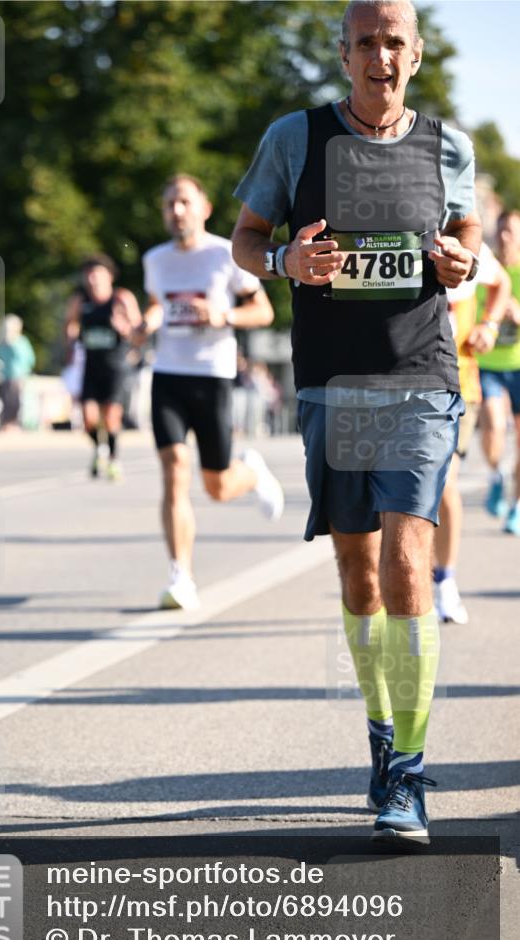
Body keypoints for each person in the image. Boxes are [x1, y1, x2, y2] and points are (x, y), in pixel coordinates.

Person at [232, 0, 482, 843]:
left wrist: (464, 257)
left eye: (394, 42)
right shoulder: (295, 138)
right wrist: (283, 263)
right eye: (365, 41)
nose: (380, 55)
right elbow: (247, 236)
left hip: (418, 373)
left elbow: (468, 228)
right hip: (332, 385)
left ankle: (407, 776)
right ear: (343, 54)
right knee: (359, 578)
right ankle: (381, 742)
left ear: (415, 56)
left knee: (408, 555)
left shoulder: (447, 143)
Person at [135, 174, 283, 611]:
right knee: (174, 468)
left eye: (183, 202)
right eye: (168, 204)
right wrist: (147, 322)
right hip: (168, 375)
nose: (176, 211)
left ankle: (252, 472)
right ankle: (181, 577)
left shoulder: (226, 254)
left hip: (213, 378)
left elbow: (263, 311)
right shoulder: (155, 260)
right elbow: (159, 305)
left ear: (204, 208)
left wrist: (223, 316)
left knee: (217, 486)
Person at [434, 244, 510, 623]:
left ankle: (444, 580)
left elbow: (501, 282)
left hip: (458, 385)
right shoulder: (382, 230)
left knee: (443, 482)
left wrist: (490, 324)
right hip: (396, 386)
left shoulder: (461, 242)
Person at [64, 255, 142, 481]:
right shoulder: (81, 300)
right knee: (88, 419)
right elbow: (70, 323)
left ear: (109, 276)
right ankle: (100, 449)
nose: (92, 279)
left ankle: (114, 459)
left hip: (116, 366)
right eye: (88, 274)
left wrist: (124, 327)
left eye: (97, 273)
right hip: (91, 364)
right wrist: (70, 342)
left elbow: (139, 331)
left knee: (110, 418)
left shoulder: (121, 298)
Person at [476, 210, 520, 535]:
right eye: (502, 230)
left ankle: (516, 507)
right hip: (489, 364)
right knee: (492, 423)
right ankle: (496, 476)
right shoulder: (486, 268)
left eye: (512, 232)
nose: (505, 237)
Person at [0, 314, 36, 431]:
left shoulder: (21, 342)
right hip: (5, 376)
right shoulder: (1, 343)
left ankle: (15, 423)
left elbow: (29, 359)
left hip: (18, 376)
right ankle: (5, 423)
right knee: (6, 401)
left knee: (16, 401)